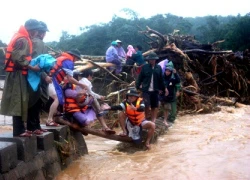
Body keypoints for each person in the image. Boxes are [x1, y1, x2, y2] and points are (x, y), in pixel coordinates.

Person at [0, 19, 42, 137]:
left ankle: (21, 129)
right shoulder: (23, 39)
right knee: (17, 101)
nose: (37, 33)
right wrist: (33, 68)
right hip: (16, 74)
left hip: (16, 73)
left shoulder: (20, 37)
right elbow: (18, 58)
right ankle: (19, 130)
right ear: (31, 30)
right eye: (35, 30)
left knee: (20, 100)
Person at [47, 49, 88, 126]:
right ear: (74, 56)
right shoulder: (68, 62)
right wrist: (81, 85)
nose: (76, 61)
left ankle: (53, 117)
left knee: (57, 99)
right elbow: (70, 78)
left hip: (51, 79)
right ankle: (49, 120)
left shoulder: (61, 58)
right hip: (52, 81)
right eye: (77, 58)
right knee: (57, 99)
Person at [27, 21, 52, 135]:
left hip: (37, 75)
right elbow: (36, 61)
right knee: (35, 101)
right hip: (36, 76)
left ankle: (36, 125)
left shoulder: (37, 42)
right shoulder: (37, 43)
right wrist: (45, 76)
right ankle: (33, 126)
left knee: (37, 101)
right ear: (41, 32)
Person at [136, 52, 165, 123]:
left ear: (155, 60)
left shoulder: (158, 68)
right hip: (146, 90)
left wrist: (163, 88)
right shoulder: (145, 67)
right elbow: (140, 78)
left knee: (154, 106)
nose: (152, 61)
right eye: (150, 59)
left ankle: (153, 119)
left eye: (153, 59)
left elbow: (161, 79)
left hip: (155, 90)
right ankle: (145, 118)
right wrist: (137, 87)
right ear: (148, 60)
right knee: (146, 105)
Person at [158, 59, 181, 124]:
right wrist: (159, 89)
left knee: (167, 108)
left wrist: (175, 73)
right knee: (158, 104)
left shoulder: (172, 79)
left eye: (169, 71)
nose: (167, 72)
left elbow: (178, 81)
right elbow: (159, 83)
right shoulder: (162, 77)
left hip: (169, 96)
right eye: (166, 71)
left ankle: (166, 120)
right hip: (162, 95)